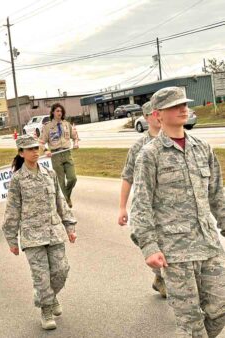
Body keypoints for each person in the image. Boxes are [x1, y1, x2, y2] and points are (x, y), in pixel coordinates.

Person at [131, 87, 225, 337]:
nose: (183, 109)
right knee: (190, 320)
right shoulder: (149, 155)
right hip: (176, 251)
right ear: (158, 114)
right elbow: (141, 204)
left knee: (220, 308)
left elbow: (217, 194)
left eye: (184, 104)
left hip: (209, 245)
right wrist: (149, 247)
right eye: (174, 106)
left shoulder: (202, 148)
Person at [2, 134, 77, 331]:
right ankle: (46, 309)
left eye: (37, 148)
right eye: (30, 149)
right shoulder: (17, 179)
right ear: (21, 153)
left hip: (53, 232)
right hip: (32, 236)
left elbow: (60, 202)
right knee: (41, 277)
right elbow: (12, 210)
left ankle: (49, 298)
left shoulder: (49, 174)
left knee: (61, 270)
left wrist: (69, 226)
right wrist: (11, 239)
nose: (35, 151)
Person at [118, 101, 166, 298]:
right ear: (146, 118)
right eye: (154, 113)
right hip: (149, 207)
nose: (158, 116)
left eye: (160, 112)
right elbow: (127, 176)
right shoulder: (139, 146)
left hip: (171, 207)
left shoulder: (171, 139)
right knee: (155, 244)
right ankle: (160, 275)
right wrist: (122, 207)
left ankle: (163, 277)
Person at [40, 103, 78, 208]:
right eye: (57, 111)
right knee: (60, 181)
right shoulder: (47, 127)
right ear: (53, 112)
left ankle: (66, 196)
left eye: (61, 111)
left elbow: (74, 137)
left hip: (67, 153)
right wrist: (46, 150)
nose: (59, 113)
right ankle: (66, 200)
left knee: (72, 178)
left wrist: (76, 143)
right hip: (55, 155)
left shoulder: (66, 124)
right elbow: (41, 142)